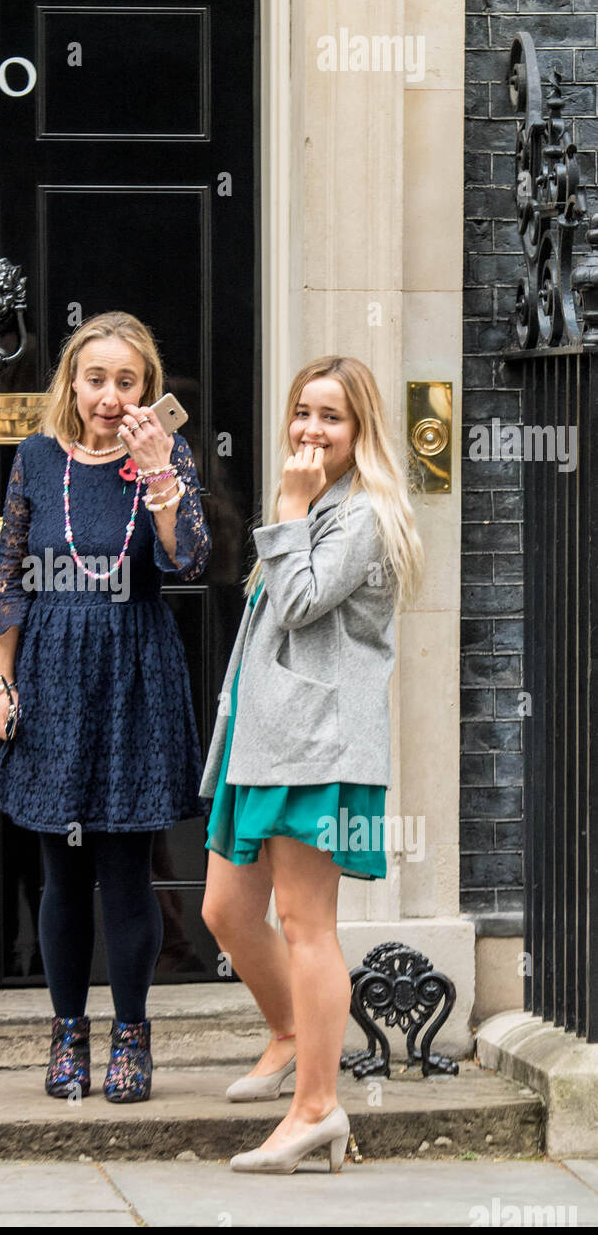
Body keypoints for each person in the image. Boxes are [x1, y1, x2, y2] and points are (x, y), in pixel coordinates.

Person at [199, 354, 424, 1173]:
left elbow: (298, 604)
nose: (309, 429)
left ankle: (319, 1108)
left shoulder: (359, 513)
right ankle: (295, 1035)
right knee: (226, 909)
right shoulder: (321, 505)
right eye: (302, 411)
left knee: (306, 925)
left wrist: (289, 508)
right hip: (267, 742)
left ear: (360, 429)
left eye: (330, 416)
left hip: (319, 748)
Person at [0, 311, 210, 1103]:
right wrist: (3, 683)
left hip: (134, 673)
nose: (110, 396)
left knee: (126, 872)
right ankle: (68, 1032)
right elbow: (10, 577)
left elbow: (188, 560)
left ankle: (134, 1036)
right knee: (60, 874)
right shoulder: (39, 459)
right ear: (71, 386)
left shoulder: (164, 456)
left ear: (147, 388)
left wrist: (160, 477)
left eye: (127, 381)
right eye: (96, 380)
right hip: (50, 672)